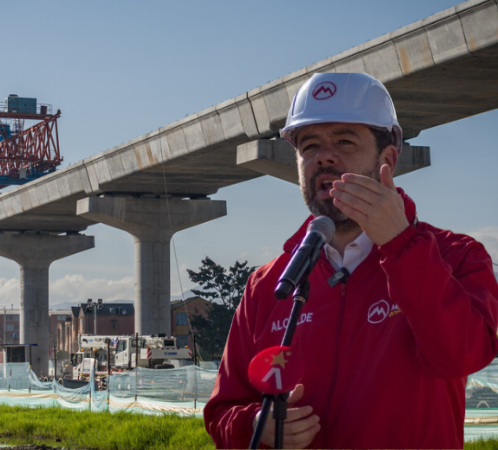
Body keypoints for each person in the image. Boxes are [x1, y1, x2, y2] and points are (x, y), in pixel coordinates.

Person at [203, 72, 498, 449]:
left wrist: (401, 245)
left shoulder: (457, 257)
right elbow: (222, 410)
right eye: (310, 145)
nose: (324, 156)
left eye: (344, 140)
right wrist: (257, 425)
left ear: (387, 158)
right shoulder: (270, 285)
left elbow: (463, 355)